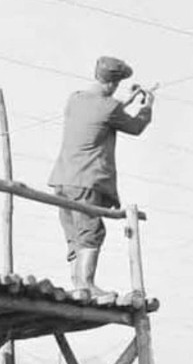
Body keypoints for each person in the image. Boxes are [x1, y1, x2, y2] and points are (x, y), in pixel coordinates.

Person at [48, 56, 154, 301]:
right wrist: (147, 106)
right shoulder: (110, 108)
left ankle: (78, 286)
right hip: (87, 179)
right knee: (91, 232)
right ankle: (87, 284)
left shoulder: (75, 99)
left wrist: (123, 102)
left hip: (63, 179)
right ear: (113, 84)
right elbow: (135, 126)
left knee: (75, 234)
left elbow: (98, 114)